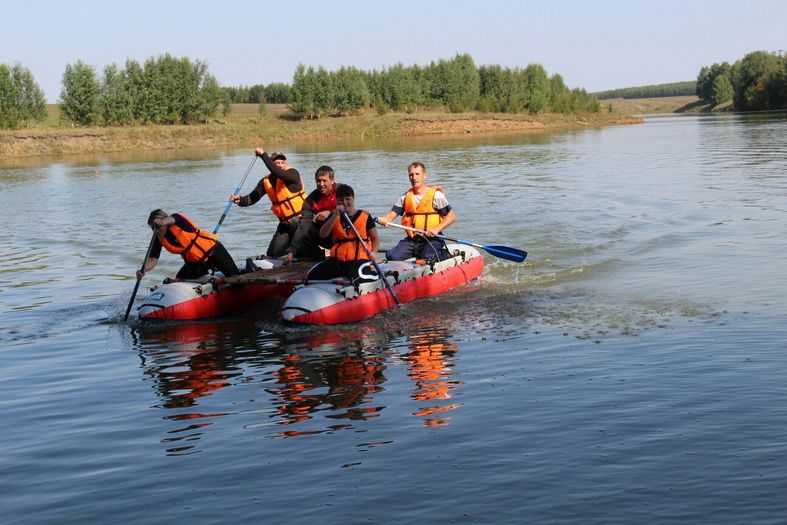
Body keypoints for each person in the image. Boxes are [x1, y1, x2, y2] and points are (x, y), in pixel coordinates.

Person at [229, 148, 306, 257]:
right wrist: (239, 200)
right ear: (272, 165)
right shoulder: (266, 181)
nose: (280, 165)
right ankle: (290, 253)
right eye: (277, 163)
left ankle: (304, 251)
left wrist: (263, 154)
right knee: (272, 254)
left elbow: (278, 173)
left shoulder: (292, 174)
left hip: (302, 222)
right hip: (285, 225)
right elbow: (252, 198)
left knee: (304, 251)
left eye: (282, 162)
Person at [376, 162, 456, 261]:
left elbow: (451, 217)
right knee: (392, 256)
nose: (414, 177)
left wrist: (436, 228)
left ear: (424, 175)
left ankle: (445, 255)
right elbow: (391, 215)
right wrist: (384, 219)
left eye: (417, 174)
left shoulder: (436, 196)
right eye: (411, 174)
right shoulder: (405, 197)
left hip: (433, 239)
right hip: (413, 240)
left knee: (427, 257)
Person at [137, 209, 240, 281]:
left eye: (158, 226)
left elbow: (172, 218)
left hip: (214, 252)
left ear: (164, 221)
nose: (156, 230)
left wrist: (162, 222)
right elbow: (152, 260)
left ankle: (249, 267)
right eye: (153, 228)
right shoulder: (157, 239)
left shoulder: (178, 221)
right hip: (195, 263)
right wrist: (143, 270)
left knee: (236, 279)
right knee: (178, 281)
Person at [306, 184, 380, 283]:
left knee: (356, 276)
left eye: (348, 199)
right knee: (312, 275)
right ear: (336, 201)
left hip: (359, 258)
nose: (344, 203)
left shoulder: (365, 216)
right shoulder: (334, 216)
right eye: (341, 200)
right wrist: (334, 215)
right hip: (338, 260)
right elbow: (323, 234)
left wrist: (374, 253)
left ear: (353, 199)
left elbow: (375, 238)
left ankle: (374, 274)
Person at [283, 165, 338, 265]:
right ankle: (315, 254)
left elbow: (349, 210)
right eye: (318, 181)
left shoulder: (342, 191)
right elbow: (303, 226)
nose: (321, 184)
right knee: (296, 222)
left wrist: (330, 212)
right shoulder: (310, 200)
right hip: (324, 236)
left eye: (324, 181)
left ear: (332, 180)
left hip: (342, 234)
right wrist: (292, 252)